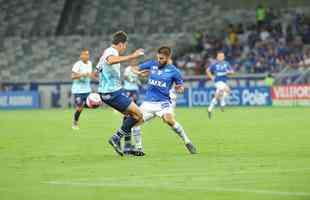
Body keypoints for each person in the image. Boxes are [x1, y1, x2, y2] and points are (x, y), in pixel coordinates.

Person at [131, 46, 197, 155]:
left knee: (169, 120)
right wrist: (139, 73)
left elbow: (181, 87)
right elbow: (134, 68)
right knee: (134, 124)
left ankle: (187, 141)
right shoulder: (152, 64)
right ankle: (139, 149)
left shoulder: (174, 71)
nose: (159, 60)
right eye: (158, 58)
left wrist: (179, 88)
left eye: (161, 58)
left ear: (167, 58)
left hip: (163, 102)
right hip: (148, 103)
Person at [94, 31, 145, 156]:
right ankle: (116, 138)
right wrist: (133, 56)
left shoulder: (105, 52)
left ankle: (127, 147)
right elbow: (111, 61)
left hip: (108, 92)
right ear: (121, 44)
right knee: (138, 115)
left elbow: (96, 71)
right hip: (112, 93)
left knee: (129, 115)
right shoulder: (111, 52)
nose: (125, 48)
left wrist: (105, 80)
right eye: (125, 45)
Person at [71, 48, 96, 130]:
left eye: (87, 54)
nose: (86, 56)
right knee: (79, 107)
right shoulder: (77, 64)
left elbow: (90, 75)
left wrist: (93, 76)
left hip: (87, 90)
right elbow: (73, 76)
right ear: (81, 56)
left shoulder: (90, 64)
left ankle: (80, 108)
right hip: (78, 90)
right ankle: (75, 121)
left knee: (93, 105)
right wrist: (82, 74)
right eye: (84, 54)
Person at [206, 51, 234, 119]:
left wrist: (229, 72)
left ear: (224, 57)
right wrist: (211, 77)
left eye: (222, 56)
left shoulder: (226, 64)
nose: (220, 58)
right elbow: (207, 70)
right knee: (228, 90)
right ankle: (222, 102)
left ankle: (210, 108)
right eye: (219, 56)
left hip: (224, 82)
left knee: (217, 95)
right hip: (218, 81)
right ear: (217, 57)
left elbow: (232, 72)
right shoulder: (214, 64)